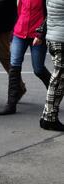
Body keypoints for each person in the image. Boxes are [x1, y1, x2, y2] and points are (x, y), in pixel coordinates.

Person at [0, 0, 51, 115]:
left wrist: (41, 35)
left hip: (37, 35)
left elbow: (49, 16)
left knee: (38, 69)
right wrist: (14, 30)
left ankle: (54, 91)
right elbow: (19, 12)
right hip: (20, 33)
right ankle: (11, 104)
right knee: (14, 66)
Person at [39, 0, 64, 131]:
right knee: (57, 80)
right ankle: (50, 118)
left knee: (59, 80)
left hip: (52, 38)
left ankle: (47, 116)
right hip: (61, 39)